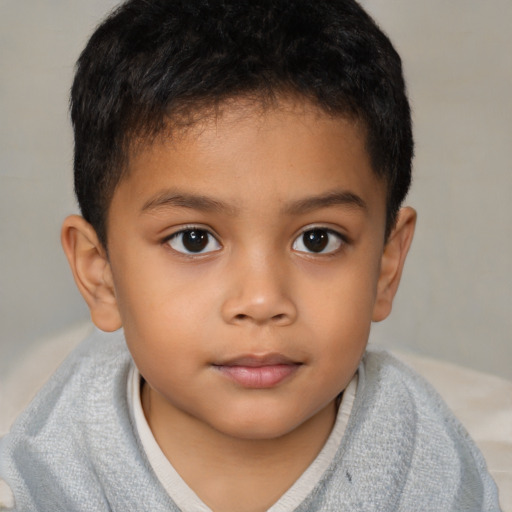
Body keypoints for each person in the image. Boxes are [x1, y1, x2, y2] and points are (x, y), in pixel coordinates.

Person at [0, 0, 500, 510]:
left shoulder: (427, 469)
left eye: (317, 240)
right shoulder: (45, 474)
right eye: (193, 239)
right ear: (99, 273)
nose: (262, 300)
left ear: (386, 267)